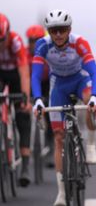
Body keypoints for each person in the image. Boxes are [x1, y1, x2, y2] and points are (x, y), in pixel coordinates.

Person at [31, 9, 96, 206]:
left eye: (62, 30)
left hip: (80, 80)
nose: (58, 35)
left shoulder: (79, 43)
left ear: (69, 29)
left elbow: (94, 72)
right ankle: (61, 193)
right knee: (59, 137)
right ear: (49, 32)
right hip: (59, 86)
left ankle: (90, 145)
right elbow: (36, 75)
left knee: (91, 104)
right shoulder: (42, 45)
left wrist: (94, 98)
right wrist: (37, 99)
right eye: (54, 31)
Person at [0, 13, 32, 187]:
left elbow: (24, 73)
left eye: (1, 40)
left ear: (8, 34)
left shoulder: (16, 42)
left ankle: (25, 166)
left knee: (23, 116)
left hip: (15, 77)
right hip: (1, 76)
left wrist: (25, 98)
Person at [26, 24, 55, 168]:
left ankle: (50, 146)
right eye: (31, 40)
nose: (33, 44)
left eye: (37, 40)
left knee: (49, 114)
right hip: (32, 84)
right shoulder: (25, 54)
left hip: (48, 84)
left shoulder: (49, 52)